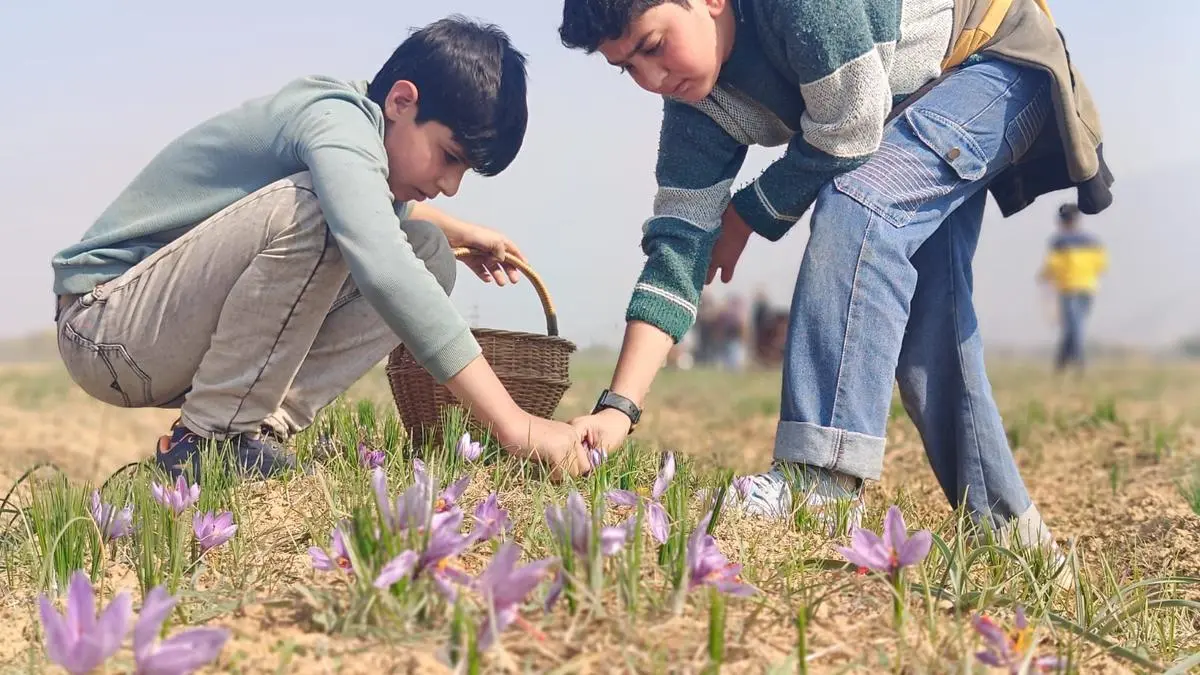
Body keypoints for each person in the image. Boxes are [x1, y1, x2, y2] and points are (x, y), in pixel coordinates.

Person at [559, 0, 1113, 550]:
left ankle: (820, 483)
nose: (652, 79)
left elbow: (850, 125)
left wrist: (747, 214)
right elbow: (677, 251)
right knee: (928, 320)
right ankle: (1017, 537)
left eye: (653, 46)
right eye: (627, 67)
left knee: (861, 205)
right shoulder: (695, 109)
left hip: (992, 59)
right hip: (910, 106)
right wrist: (618, 410)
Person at [51, 17, 590, 481]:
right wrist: (514, 425)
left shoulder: (359, 146)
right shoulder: (336, 120)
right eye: (449, 157)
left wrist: (457, 232)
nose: (450, 184)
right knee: (325, 214)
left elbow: (386, 227)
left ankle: (250, 430)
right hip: (106, 328)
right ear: (402, 101)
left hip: (162, 334)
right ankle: (211, 436)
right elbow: (379, 259)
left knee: (425, 250)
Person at [1039, 203, 1107, 373]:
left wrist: (1044, 277)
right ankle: (1063, 363)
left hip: (1070, 289)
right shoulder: (1093, 242)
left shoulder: (1059, 242)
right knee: (1075, 326)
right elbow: (1102, 265)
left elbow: (1051, 266)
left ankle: (1077, 363)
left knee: (1074, 327)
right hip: (1086, 287)